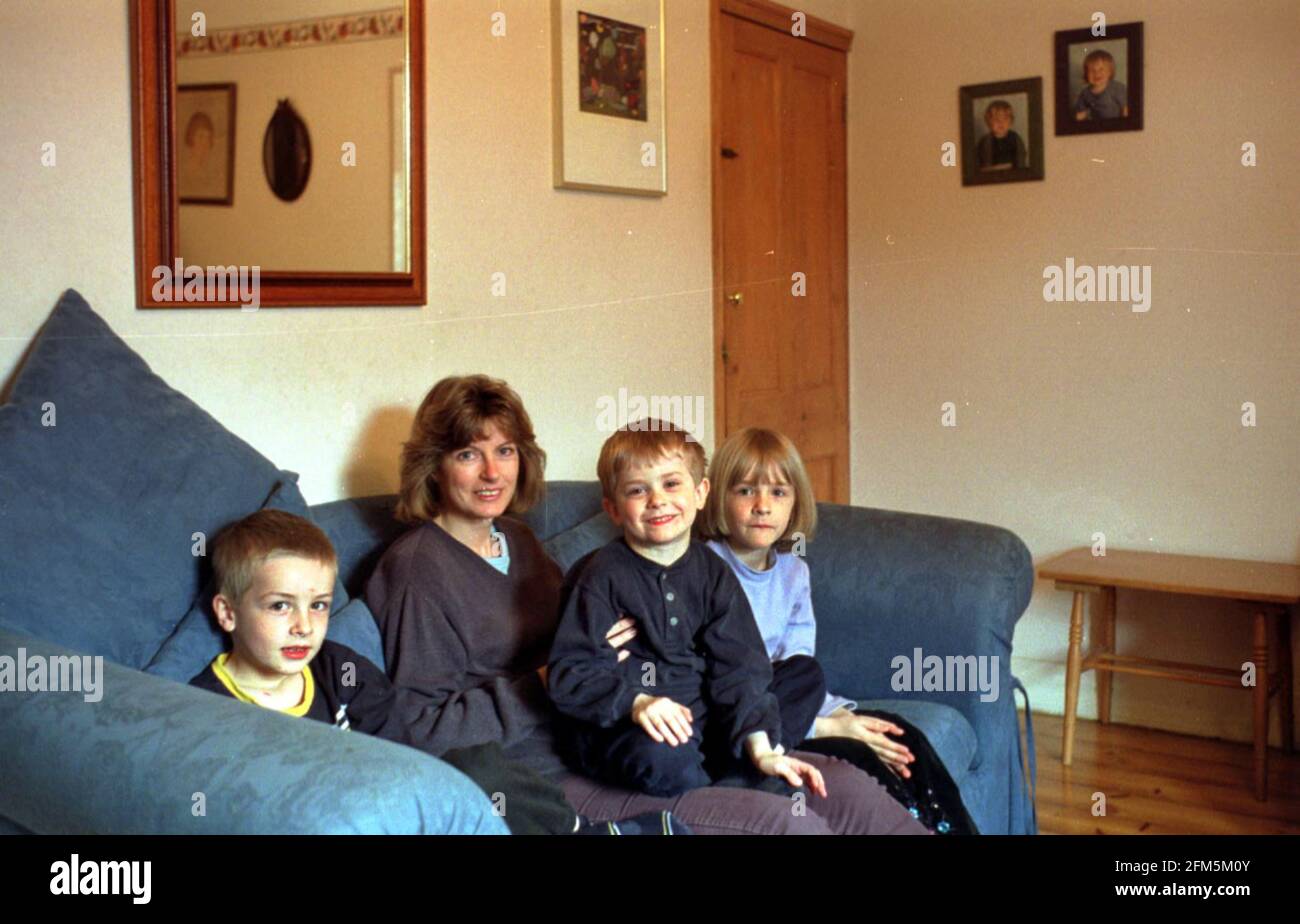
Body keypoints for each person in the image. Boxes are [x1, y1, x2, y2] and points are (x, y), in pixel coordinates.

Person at [366, 374, 928, 834]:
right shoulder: (417, 568)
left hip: (655, 718)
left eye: (505, 451)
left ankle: (745, 760)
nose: (493, 472)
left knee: (853, 795)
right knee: (793, 825)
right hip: (564, 768)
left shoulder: (520, 541)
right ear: (433, 465)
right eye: (469, 453)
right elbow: (415, 732)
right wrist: (545, 679)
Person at [189, 507, 674, 835]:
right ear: (227, 613)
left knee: (478, 767)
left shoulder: (339, 670)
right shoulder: (205, 709)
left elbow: (411, 751)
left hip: (399, 806)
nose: (303, 627)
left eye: (317, 606)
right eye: (279, 607)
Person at [698, 427, 978, 834]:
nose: (762, 506)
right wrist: (825, 726)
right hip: (739, 718)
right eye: (745, 491)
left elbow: (799, 665)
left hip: (791, 700)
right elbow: (715, 680)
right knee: (857, 755)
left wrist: (835, 712)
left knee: (903, 739)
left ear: (795, 504)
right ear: (718, 497)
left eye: (778, 493)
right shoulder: (703, 568)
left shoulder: (794, 571)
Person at [548, 420, 829, 798]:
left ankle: (747, 767)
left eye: (671, 484)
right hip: (628, 725)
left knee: (803, 675)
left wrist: (760, 747)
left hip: (700, 717)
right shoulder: (599, 575)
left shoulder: (713, 573)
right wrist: (637, 702)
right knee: (665, 756)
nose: (657, 500)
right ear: (613, 509)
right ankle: (725, 793)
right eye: (637, 490)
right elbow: (569, 673)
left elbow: (739, 666)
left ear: (700, 493)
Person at [1074, 49, 1128, 121]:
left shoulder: (1117, 88)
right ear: (1086, 74)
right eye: (1092, 70)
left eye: (1101, 69)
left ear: (1110, 71)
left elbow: (1125, 108)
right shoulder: (1085, 93)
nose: (1097, 73)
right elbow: (1080, 114)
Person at [976, 99, 1027, 171]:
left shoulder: (1015, 138)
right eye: (996, 119)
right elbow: (981, 164)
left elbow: (1021, 159)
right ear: (988, 122)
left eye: (1005, 119)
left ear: (1011, 121)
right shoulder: (985, 141)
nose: (1001, 122)